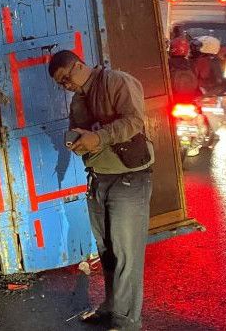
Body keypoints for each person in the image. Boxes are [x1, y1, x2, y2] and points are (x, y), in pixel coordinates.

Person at [48, 51, 154, 331]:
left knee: (126, 254)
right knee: (107, 251)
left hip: (128, 178)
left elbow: (134, 121)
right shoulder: (78, 100)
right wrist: (76, 141)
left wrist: (98, 137)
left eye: (66, 78)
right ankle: (111, 308)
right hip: (98, 179)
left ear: (78, 66)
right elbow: (78, 131)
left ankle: (127, 322)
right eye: (61, 84)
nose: (67, 85)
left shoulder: (117, 81)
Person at [168, 37, 200, 102]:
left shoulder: (167, 63)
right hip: (191, 97)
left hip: (173, 97)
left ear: (172, 49)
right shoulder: (191, 63)